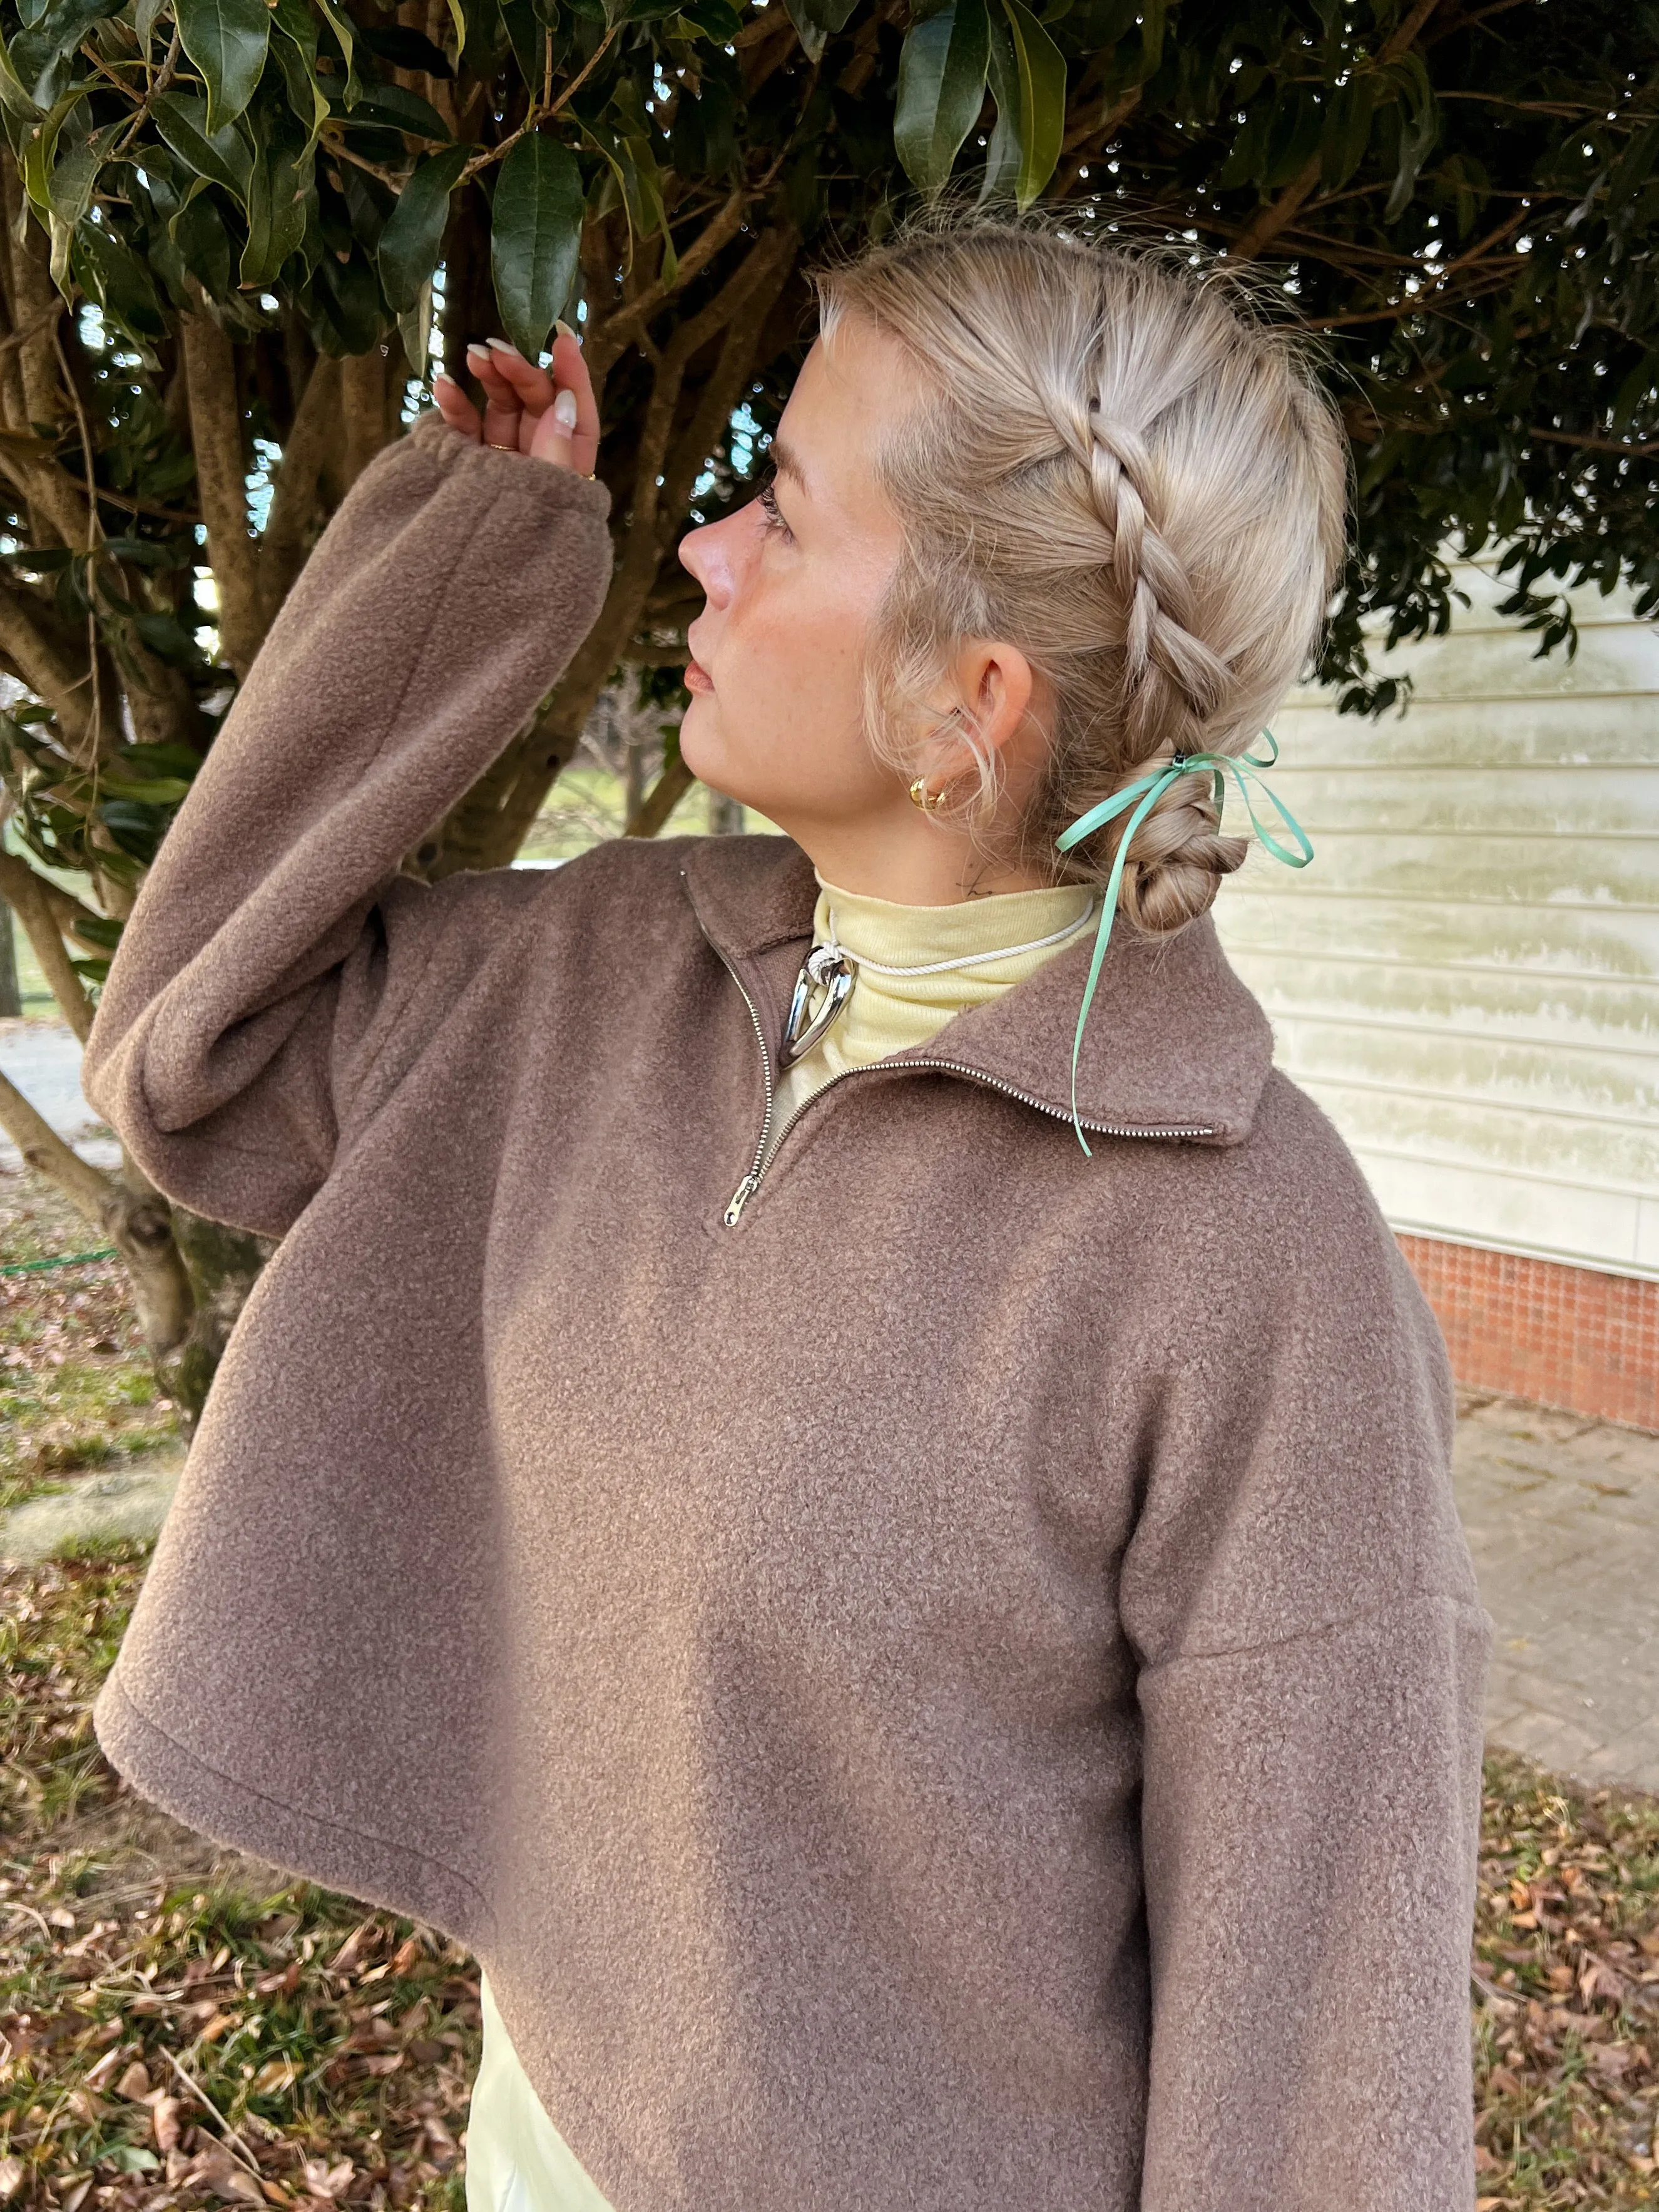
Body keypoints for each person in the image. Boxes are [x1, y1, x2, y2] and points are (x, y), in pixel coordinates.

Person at [83, 207, 1491, 2212]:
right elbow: (185, 1051)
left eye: (786, 519)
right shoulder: (590, 987)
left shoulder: (1250, 1268)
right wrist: (470, 565)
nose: (702, 548)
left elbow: (1323, 2073)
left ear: (964, 703)